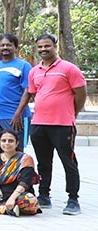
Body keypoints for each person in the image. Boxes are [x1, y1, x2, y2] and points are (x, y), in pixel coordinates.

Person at [25, 33, 86, 215]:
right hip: (39, 124)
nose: (43, 49)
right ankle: (44, 196)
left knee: (68, 161)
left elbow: (80, 94)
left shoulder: (69, 68)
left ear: (55, 46)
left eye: (47, 46)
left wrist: (72, 113)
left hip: (62, 124)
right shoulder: (34, 71)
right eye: (40, 47)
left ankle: (73, 199)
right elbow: (35, 94)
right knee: (44, 163)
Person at [0, 33, 32, 150]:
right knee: (2, 153)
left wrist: (18, 113)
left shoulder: (24, 66)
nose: (5, 47)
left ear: (16, 48)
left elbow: (28, 91)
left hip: (15, 117)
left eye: (9, 45)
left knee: (16, 152)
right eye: (2, 45)